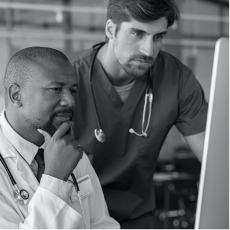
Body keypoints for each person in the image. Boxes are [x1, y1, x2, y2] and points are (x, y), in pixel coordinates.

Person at [69, 0, 208, 228]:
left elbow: (216, 158)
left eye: (158, 37)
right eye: (137, 34)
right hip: (76, 219)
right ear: (111, 29)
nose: (148, 50)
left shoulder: (176, 80)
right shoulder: (67, 78)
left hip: (135, 220)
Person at [0, 47, 120, 229]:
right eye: (56, 89)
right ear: (16, 95)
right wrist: (54, 179)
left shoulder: (71, 152)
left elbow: (102, 225)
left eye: (72, 90)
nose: (70, 101)